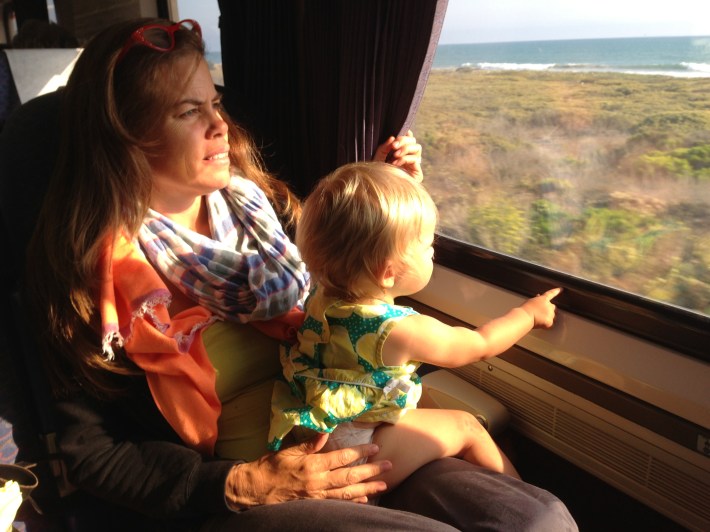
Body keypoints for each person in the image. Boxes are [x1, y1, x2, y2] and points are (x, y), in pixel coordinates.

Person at [20, 17, 577, 530]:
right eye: (188, 112)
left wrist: (389, 192)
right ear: (126, 138)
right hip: (238, 486)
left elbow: (346, 262)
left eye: (214, 102)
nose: (220, 124)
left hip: (344, 431)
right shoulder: (88, 279)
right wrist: (243, 484)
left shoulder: (260, 209)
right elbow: (92, 453)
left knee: (536, 519)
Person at [268, 161, 561, 489]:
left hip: (316, 427)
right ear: (388, 273)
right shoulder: (401, 330)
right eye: (427, 247)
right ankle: (526, 497)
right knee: (468, 427)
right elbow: (480, 345)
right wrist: (528, 315)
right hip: (357, 450)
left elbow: (353, 232)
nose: (433, 250)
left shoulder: (321, 297)